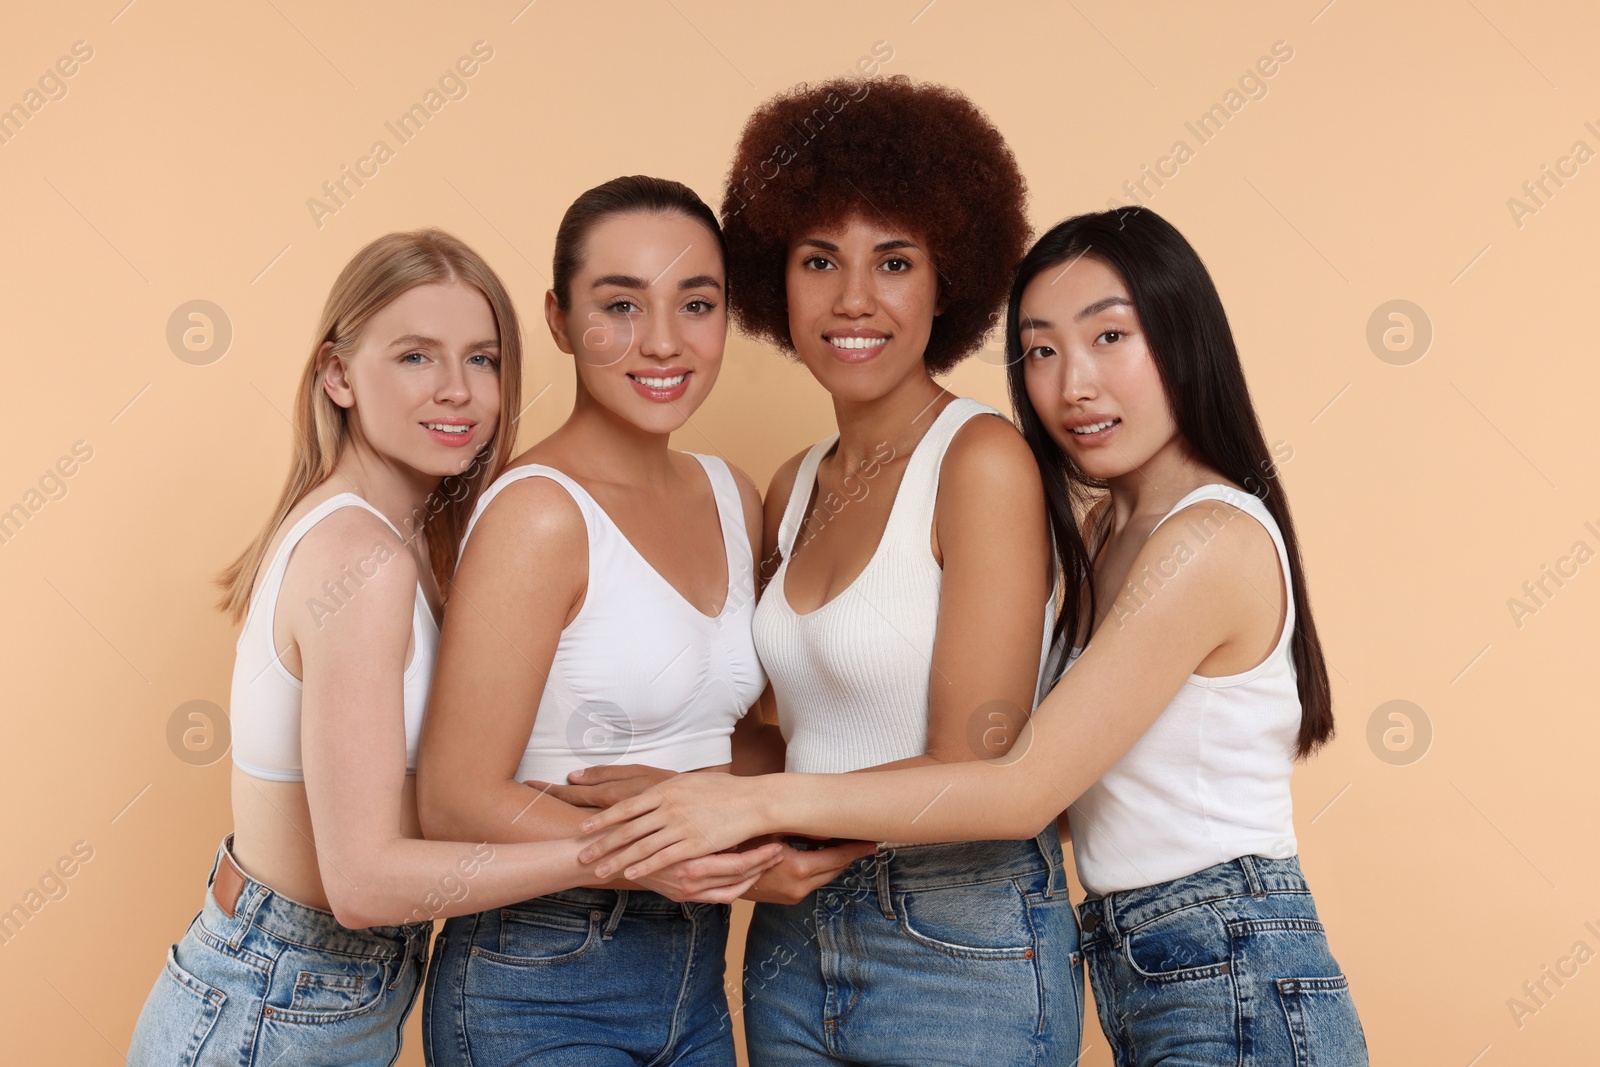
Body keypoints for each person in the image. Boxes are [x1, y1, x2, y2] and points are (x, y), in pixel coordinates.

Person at [580, 208, 1371, 1065]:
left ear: (1186, 337)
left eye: (1111, 336)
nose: (1075, 384)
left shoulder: (1205, 541)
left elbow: (1019, 786)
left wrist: (755, 806)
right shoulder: (1105, 529)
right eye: (1040, 349)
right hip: (1138, 955)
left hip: (1232, 954)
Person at [554, 81, 1080, 1065]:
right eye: (817, 260)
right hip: (790, 933)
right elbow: (803, 740)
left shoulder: (981, 462)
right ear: (773, 281)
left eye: (893, 261)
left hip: (954, 936)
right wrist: (671, 783)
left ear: (946, 279)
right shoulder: (793, 484)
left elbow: (976, 764)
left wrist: (744, 804)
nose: (853, 298)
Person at [127, 230, 667, 1067]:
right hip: (276, 1005)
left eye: (483, 359)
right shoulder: (360, 560)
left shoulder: (404, 542)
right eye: (417, 357)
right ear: (338, 374)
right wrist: (613, 857)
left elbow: (420, 794)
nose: (459, 391)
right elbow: (365, 883)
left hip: (311, 994)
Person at [414, 176, 829, 1067]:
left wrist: (764, 817)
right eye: (620, 305)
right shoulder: (539, 514)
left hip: (692, 974)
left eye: (697, 302)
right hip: (543, 969)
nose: (665, 341)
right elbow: (452, 796)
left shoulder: (733, 495)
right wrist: (666, 851)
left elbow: (733, 740)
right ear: (560, 321)